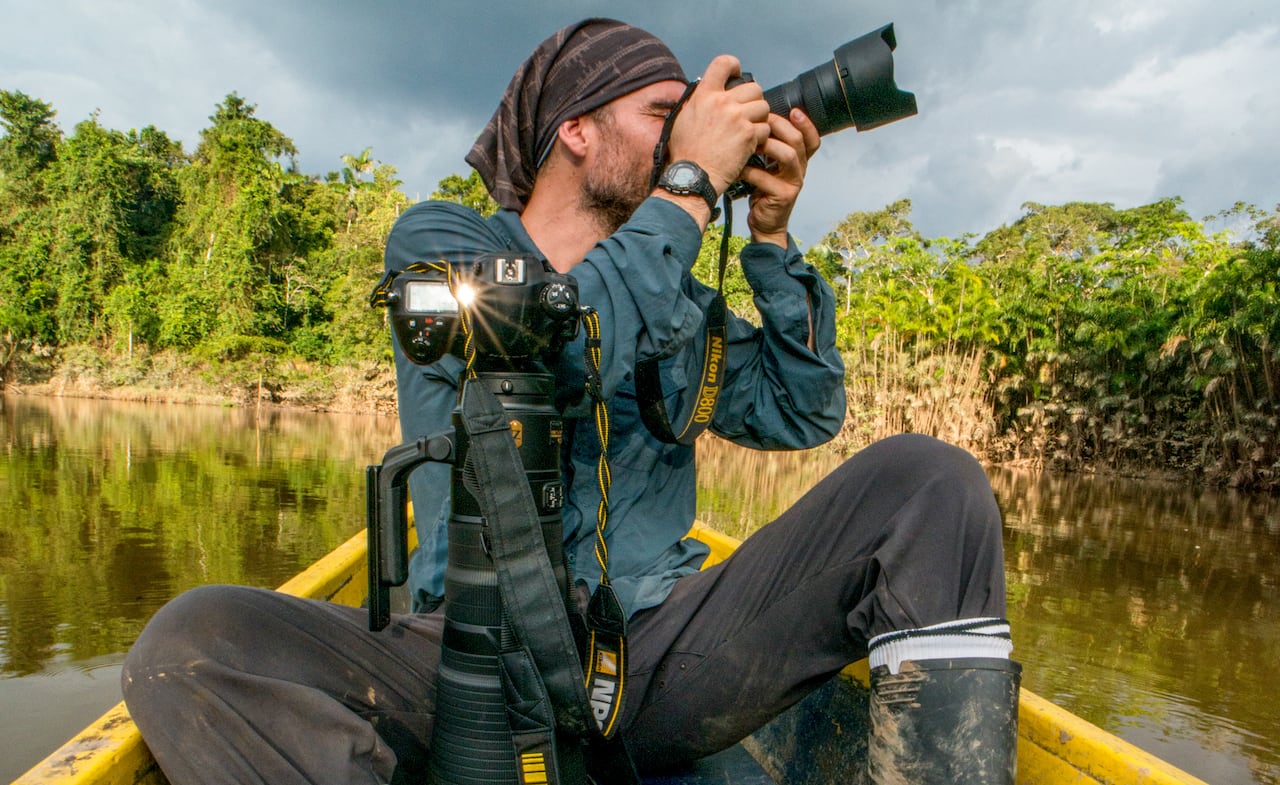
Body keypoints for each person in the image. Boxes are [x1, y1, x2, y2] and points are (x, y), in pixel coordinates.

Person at [122, 18, 1020, 785]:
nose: (686, 140)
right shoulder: (446, 242)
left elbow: (802, 409)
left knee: (929, 486)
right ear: (577, 130)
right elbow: (550, 340)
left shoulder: (680, 296)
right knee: (192, 642)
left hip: (653, 653)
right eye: (666, 116)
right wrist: (693, 186)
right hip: (465, 653)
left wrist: (774, 241)